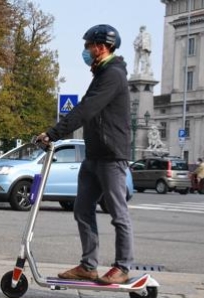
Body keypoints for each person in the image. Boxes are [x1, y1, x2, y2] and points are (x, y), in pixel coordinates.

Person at [37, 24, 133, 284]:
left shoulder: (113, 74)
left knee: (118, 213)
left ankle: (123, 267)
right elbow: (85, 109)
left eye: (87, 46)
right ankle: (89, 265)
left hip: (112, 156)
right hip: (94, 155)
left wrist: (54, 132)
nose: (85, 51)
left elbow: (87, 109)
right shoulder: (101, 73)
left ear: (100, 47)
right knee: (82, 209)